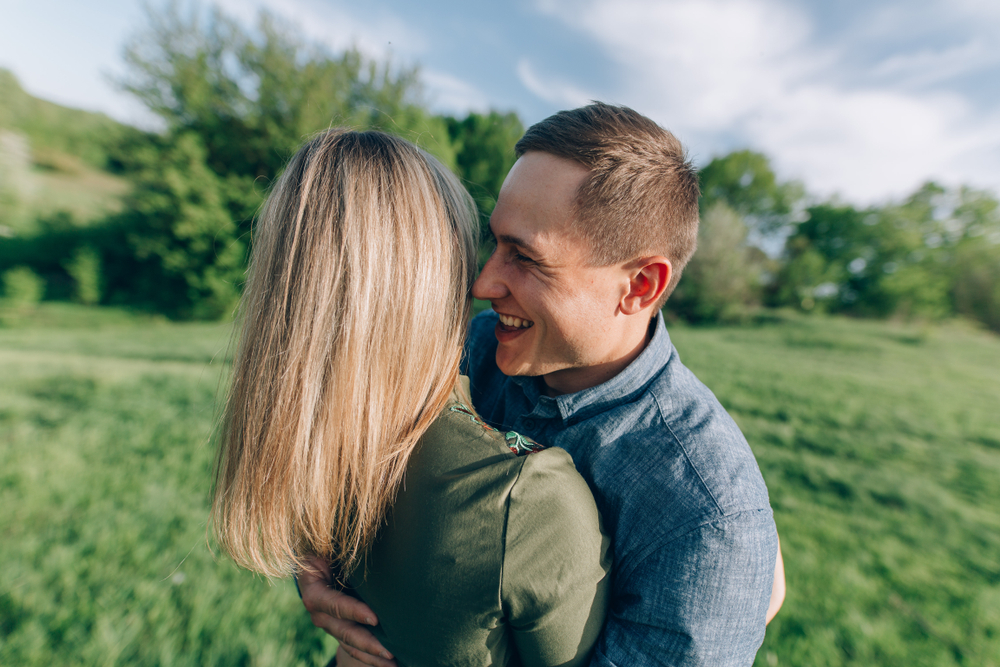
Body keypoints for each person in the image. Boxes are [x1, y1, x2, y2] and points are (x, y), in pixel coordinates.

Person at [301, 104, 782, 666]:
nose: (483, 284)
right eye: (495, 243)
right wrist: (314, 557)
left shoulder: (703, 520)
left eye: (525, 258)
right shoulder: (473, 348)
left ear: (641, 285)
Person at [212, 129, 611, 666]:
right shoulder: (527, 503)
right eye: (474, 253)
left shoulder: (316, 456)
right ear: (429, 282)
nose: (482, 284)